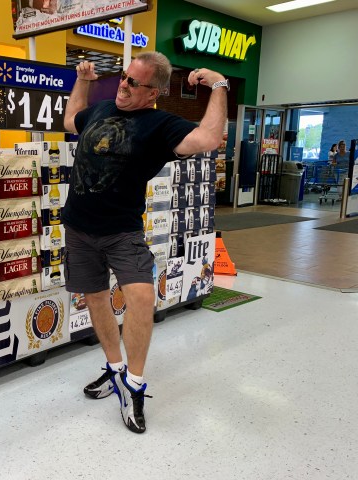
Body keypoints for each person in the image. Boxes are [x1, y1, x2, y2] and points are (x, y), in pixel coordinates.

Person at [62, 52, 227, 434]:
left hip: (122, 232)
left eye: (134, 83)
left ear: (154, 92)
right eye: (124, 77)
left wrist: (219, 84)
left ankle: (133, 385)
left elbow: (208, 137)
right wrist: (83, 81)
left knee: (140, 298)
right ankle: (114, 369)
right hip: (78, 229)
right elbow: (71, 120)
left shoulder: (160, 125)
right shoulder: (101, 110)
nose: (124, 85)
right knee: (96, 299)